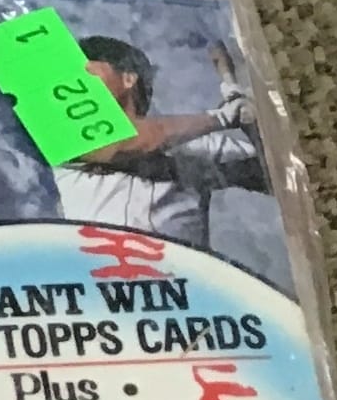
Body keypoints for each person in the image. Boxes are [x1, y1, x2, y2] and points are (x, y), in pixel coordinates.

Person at [55, 36, 267, 247]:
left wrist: (248, 118)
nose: (76, 84)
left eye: (86, 69)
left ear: (128, 78)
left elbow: (271, 170)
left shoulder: (199, 145)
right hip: (103, 267)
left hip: (181, 268)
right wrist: (223, 117)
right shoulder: (67, 141)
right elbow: (122, 142)